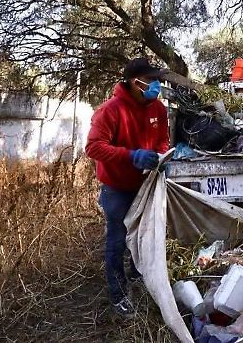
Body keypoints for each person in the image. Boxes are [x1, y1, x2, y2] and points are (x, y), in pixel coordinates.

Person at [85, 58, 170, 318]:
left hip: (146, 186)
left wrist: (163, 157)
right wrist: (131, 156)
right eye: (152, 80)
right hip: (117, 188)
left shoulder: (158, 108)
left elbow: (162, 141)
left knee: (145, 237)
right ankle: (118, 296)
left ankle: (138, 280)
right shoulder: (109, 111)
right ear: (136, 82)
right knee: (117, 241)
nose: (157, 85)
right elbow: (93, 147)